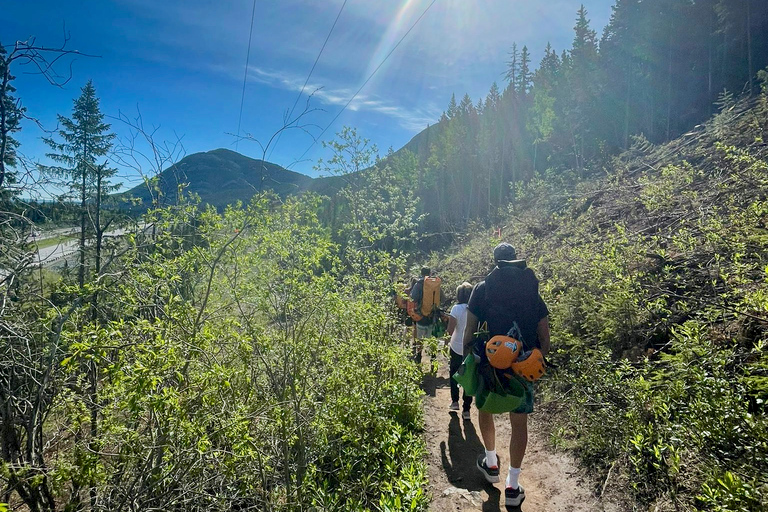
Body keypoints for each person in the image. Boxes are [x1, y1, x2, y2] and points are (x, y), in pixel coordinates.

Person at [462, 242, 550, 508]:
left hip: (491, 363)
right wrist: (537, 360)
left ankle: (490, 464)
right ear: (515, 260)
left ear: (495, 261)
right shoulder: (530, 288)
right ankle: (513, 486)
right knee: (519, 422)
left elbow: (469, 331)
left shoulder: (483, 288)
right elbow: (544, 334)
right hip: (523, 365)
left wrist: (470, 355)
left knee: (485, 409)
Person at [446, 282, 474, 420]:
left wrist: (446, 343)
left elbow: (450, 330)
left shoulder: (456, 309)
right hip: (470, 348)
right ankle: (467, 410)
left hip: (456, 346)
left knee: (454, 373)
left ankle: (455, 401)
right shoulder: (475, 309)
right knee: (468, 377)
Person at [410, 266, 435, 364]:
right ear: (430, 273)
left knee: (420, 338)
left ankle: (419, 356)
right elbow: (442, 298)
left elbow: (413, 298)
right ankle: (433, 357)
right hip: (433, 316)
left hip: (421, 315)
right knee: (432, 337)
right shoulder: (435, 283)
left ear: (421, 273)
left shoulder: (418, 284)